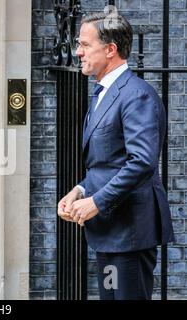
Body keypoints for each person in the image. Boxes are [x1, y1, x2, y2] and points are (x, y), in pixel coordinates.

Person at [57, 13, 174, 300]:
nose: (78, 52)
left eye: (85, 44)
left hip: (129, 232)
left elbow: (141, 163)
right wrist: (81, 188)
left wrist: (96, 201)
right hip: (112, 232)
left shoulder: (137, 96)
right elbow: (110, 161)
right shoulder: (104, 94)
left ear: (110, 50)